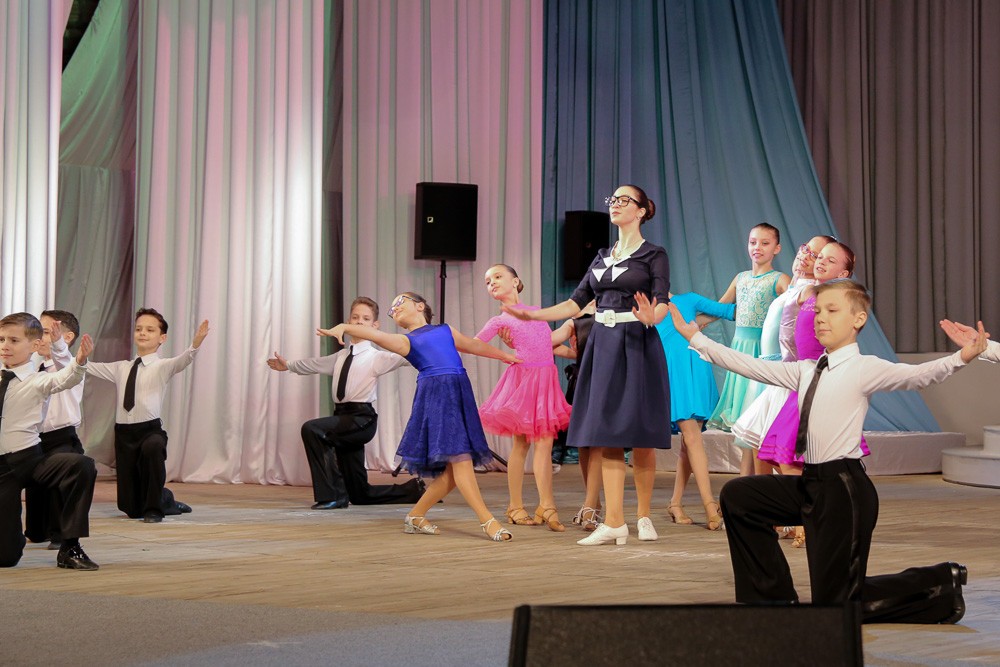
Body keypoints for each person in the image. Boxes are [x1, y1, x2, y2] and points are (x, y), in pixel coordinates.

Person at [669, 280, 980, 624]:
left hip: (844, 490)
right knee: (740, 497)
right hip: (811, 484)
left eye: (832, 310)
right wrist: (695, 338)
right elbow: (747, 365)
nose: (820, 318)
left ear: (858, 319)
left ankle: (940, 582)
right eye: (817, 311)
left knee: (836, 608)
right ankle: (773, 598)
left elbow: (919, 375)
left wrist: (962, 357)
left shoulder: (864, 368)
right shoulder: (806, 369)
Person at [505, 184, 670, 546]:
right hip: (602, 345)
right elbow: (575, 302)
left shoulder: (653, 254)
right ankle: (614, 521)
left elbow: (661, 301)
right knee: (607, 433)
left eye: (624, 200)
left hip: (636, 343)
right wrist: (531, 316)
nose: (615, 205)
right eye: (612, 200)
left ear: (642, 210)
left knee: (639, 433)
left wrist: (652, 317)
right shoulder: (601, 256)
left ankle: (643, 515)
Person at [319, 292, 519, 541]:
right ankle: (488, 521)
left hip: (458, 394)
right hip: (437, 399)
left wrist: (506, 356)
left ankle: (415, 516)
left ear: (420, 306)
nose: (395, 308)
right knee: (461, 459)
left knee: (453, 472)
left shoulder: (446, 330)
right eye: (392, 309)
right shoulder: (406, 341)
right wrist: (345, 327)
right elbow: (375, 335)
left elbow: (473, 345)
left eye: (399, 302)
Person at [267, 297, 424, 509]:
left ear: (375, 326)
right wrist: (288, 365)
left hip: (361, 420)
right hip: (342, 419)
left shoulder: (376, 357)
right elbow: (314, 364)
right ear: (348, 322)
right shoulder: (341, 356)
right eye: (355, 317)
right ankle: (415, 490)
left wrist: (426, 340)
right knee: (360, 494)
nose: (359, 322)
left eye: (365, 319)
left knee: (312, 429)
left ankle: (333, 496)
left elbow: (406, 355)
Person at [87, 309, 210, 523]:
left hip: (149, 431)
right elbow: (86, 367)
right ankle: (166, 499)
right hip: (124, 434)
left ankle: (155, 508)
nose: (143, 333)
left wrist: (196, 343)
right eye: (139, 329)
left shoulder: (163, 366)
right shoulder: (121, 367)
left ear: (162, 338)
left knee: (153, 447)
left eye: (150, 330)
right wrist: (70, 353)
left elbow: (184, 360)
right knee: (131, 509)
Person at [476, 264, 571, 531]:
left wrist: (578, 354)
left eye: (497, 277)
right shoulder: (499, 321)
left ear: (516, 281)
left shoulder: (536, 313)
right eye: (487, 281)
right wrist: (505, 355)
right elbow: (475, 344)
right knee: (521, 445)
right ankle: (516, 506)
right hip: (524, 382)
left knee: (545, 443)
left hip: (545, 381)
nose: (492, 283)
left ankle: (545, 505)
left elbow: (549, 345)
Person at [0, 312, 98, 570]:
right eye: (1, 339)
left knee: (81, 465)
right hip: (3, 471)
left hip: (30, 460)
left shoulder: (38, 380)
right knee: (6, 558)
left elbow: (67, 378)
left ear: (34, 345)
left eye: (13, 340)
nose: (5, 346)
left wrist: (80, 361)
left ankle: (70, 547)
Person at [706, 223, 791, 477]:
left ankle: (760, 483)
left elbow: (795, 307)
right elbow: (721, 307)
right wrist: (691, 324)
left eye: (765, 243)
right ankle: (746, 484)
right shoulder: (741, 278)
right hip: (739, 351)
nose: (757, 247)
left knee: (757, 421)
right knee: (745, 423)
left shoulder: (780, 279)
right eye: (753, 242)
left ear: (777, 248)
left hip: (761, 353)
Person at [655, 292, 735, 530]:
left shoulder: (688, 299)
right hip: (673, 372)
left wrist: (738, 285)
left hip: (696, 368)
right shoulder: (646, 308)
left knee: (689, 442)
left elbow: (727, 310)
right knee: (692, 438)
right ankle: (710, 505)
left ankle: (675, 503)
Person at [24, 312, 86, 550]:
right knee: (36, 530)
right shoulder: (36, 369)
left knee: (63, 488)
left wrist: (58, 345)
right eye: (38, 331)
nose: (39, 337)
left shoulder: (71, 367)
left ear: (67, 337)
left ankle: (63, 535)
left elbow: (64, 362)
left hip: (62, 438)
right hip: (37, 440)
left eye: (47, 332)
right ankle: (41, 530)